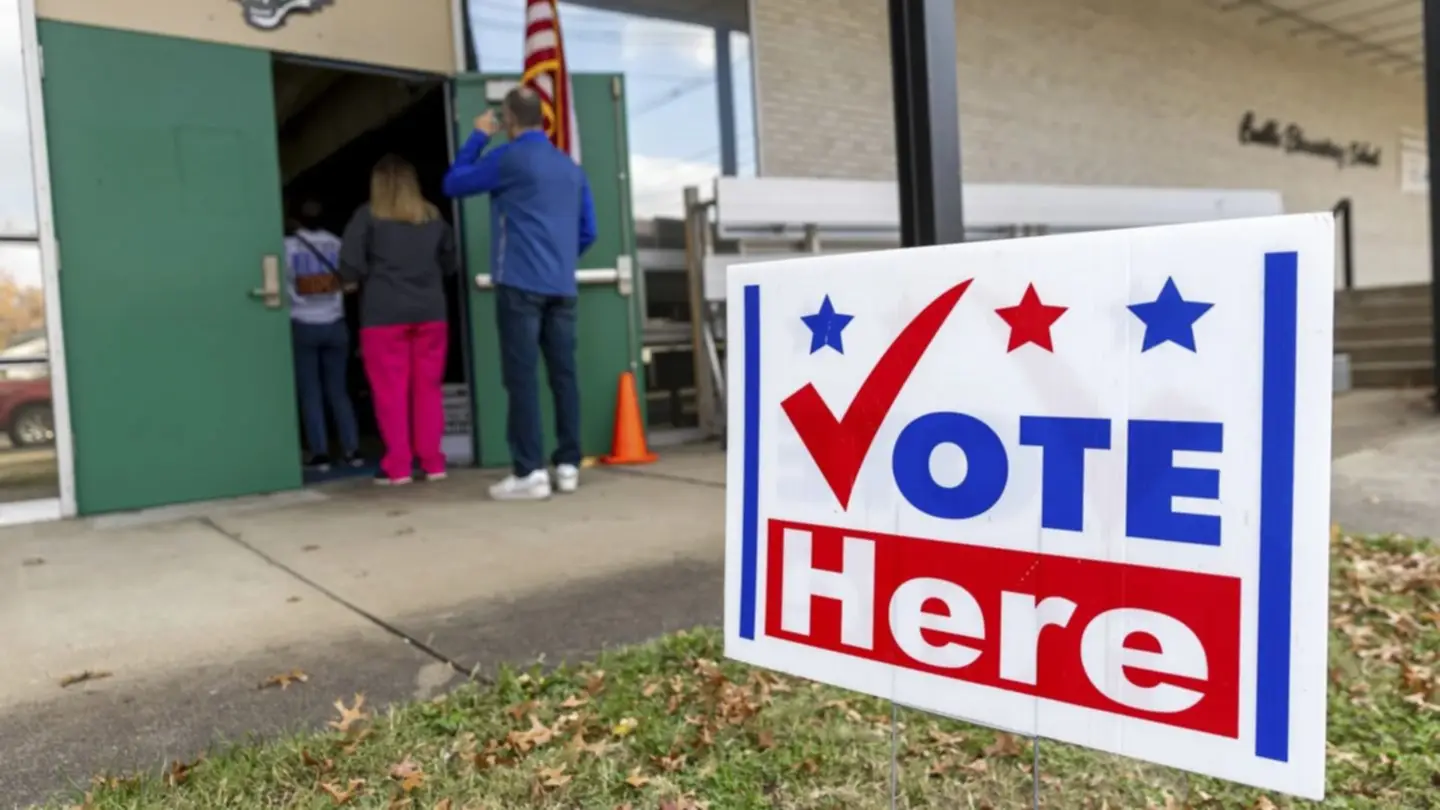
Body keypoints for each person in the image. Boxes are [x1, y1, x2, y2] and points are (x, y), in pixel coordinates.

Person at [442, 87, 597, 501]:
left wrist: (477, 137)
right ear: (542, 118)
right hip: (562, 286)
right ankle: (568, 465)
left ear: (508, 118)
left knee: (522, 378)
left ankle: (529, 472)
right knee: (564, 375)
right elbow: (589, 231)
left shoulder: (507, 158)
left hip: (520, 284)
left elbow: (453, 184)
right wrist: (560, 260)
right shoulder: (570, 167)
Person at [338, 155, 458, 486]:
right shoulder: (433, 218)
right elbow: (450, 263)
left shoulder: (367, 217)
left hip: (383, 315)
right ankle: (433, 462)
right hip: (431, 314)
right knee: (428, 389)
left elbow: (350, 266)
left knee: (390, 393)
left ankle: (399, 466)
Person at [284, 199, 362, 472]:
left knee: (310, 392)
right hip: (335, 324)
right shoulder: (336, 243)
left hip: (303, 323)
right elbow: (351, 282)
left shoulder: (287, 247)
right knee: (338, 390)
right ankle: (352, 450)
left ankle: (320, 455)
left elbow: (279, 284)